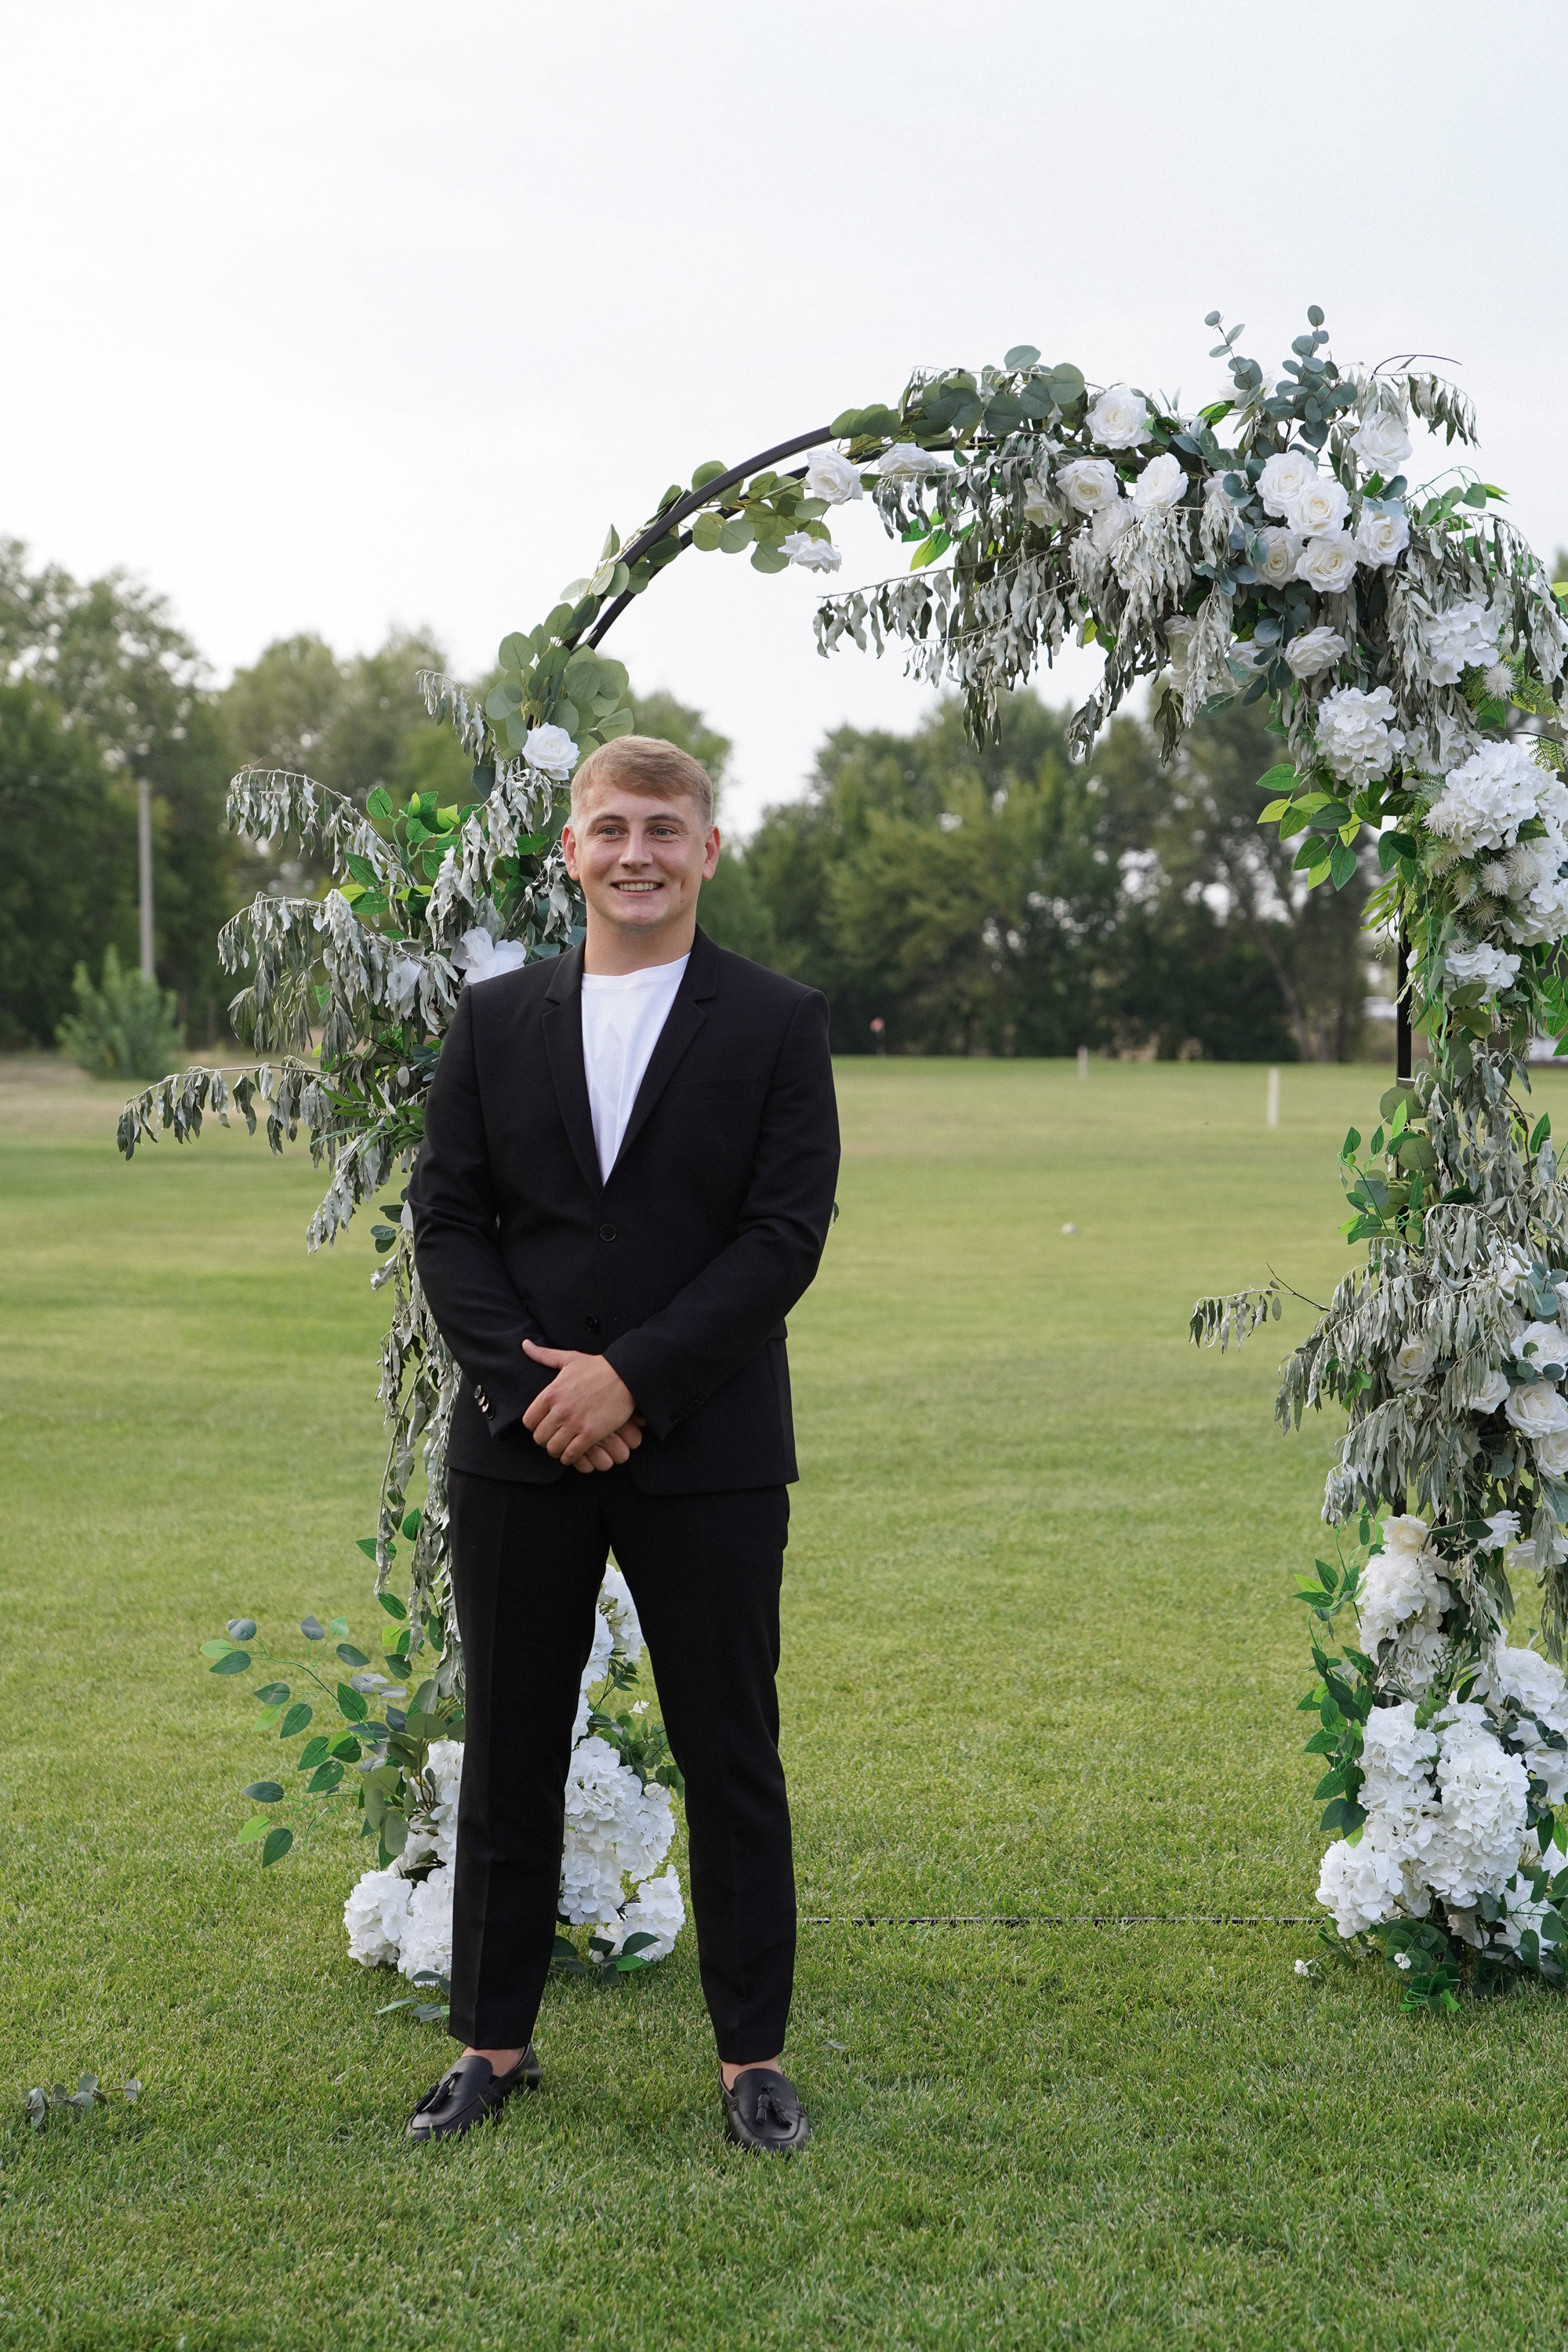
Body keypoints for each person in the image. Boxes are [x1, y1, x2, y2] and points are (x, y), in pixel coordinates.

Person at [405, 734, 840, 2154]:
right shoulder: (494, 1019)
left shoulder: (777, 1022)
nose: (636, 851)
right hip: (519, 1444)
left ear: (709, 848)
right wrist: (538, 1392)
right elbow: (449, 1221)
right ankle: (490, 2044)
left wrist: (632, 1382)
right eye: (610, 827)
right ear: (571, 853)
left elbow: (782, 1236)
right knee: (509, 1744)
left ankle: (752, 2059)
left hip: (707, 1446)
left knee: (733, 1751)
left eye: (665, 826)